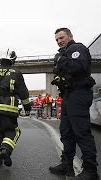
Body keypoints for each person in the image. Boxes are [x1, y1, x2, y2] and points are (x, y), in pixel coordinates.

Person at [49, 28, 99, 179]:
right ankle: (67, 165)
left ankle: (90, 171)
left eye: (62, 37)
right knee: (67, 132)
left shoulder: (77, 48)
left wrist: (60, 60)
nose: (59, 41)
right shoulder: (64, 53)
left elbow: (78, 66)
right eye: (57, 39)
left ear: (70, 36)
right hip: (68, 95)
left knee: (82, 133)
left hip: (79, 93)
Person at [0, 48, 31, 167]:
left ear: (0, 58)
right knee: (12, 131)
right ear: (13, 59)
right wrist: (27, 106)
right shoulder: (16, 72)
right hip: (10, 108)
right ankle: (6, 148)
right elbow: (23, 91)